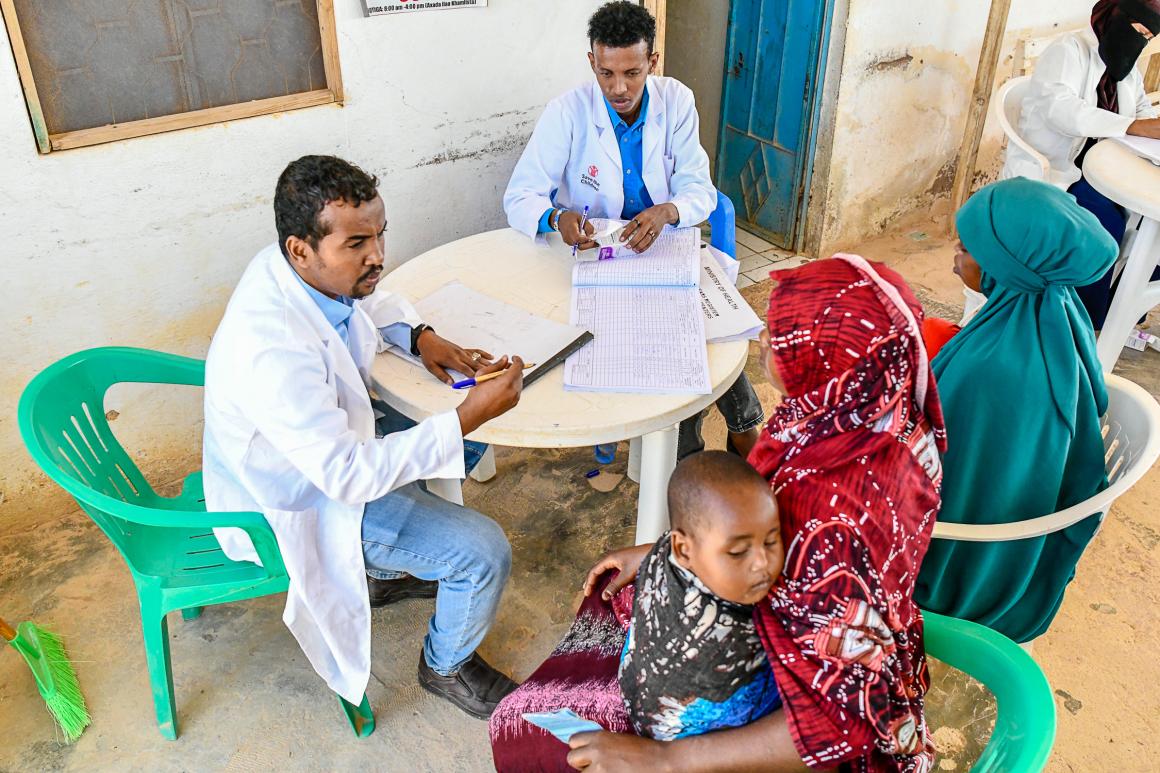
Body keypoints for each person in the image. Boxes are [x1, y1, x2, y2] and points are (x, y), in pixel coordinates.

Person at [491, 255, 946, 773]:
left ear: (825, 356)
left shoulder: (834, 518)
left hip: (803, 727)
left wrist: (665, 760)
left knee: (528, 735)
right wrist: (672, 551)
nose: (765, 344)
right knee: (612, 603)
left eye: (783, 338)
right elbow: (763, 532)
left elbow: (842, 722)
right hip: (785, 637)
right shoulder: (865, 416)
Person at [203, 155, 524, 719]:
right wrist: (463, 418)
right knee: (482, 551)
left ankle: (381, 574)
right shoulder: (272, 347)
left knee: (466, 441)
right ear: (301, 248)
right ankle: (446, 665)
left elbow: (365, 296)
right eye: (357, 243)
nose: (377, 255)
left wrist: (420, 336)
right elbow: (346, 477)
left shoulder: (301, 268)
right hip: (302, 497)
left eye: (380, 234)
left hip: (326, 450)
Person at [503, 0, 763, 460]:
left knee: (701, 342)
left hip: (666, 251)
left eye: (632, 73)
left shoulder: (676, 101)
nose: (618, 88)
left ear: (652, 62)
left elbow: (700, 189)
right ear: (592, 62)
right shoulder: (567, 112)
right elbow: (520, 195)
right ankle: (697, 450)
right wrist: (556, 218)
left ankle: (728, 444)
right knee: (643, 346)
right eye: (606, 73)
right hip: (598, 259)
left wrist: (668, 211)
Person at [915, 178, 1118, 644]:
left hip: (961, 559)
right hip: (1023, 519)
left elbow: (950, 484)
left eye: (967, 249)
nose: (955, 256)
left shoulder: (995, 373)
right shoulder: (1054, 308)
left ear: (1007, 267)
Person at [1002, 0, 1160, 326]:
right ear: (1114, 16)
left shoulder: (1124, 65)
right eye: (1137, 30)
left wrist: (1151, 125)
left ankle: (1121, 310)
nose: (1139, 42)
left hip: (1105, 167)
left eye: (1148, 37)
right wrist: (1132, 126)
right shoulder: (1068, 51)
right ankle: (1083, 318)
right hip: (1061, 170)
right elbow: (1062, 111)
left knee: (1153, 229)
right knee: (1104, 224)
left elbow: (1140, 108)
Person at [619, 451, 783, 742]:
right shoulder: (726, 640)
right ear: (683, 549)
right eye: (738, 552)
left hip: (634, 686)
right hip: (685, 739)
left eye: (771, 540)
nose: (762, 563)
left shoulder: (668, 548)